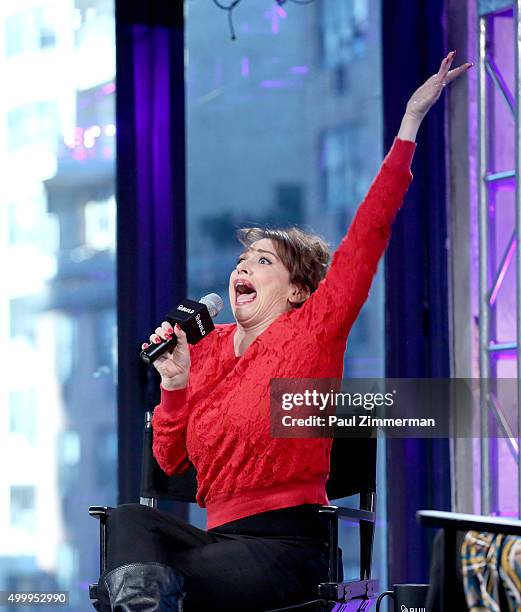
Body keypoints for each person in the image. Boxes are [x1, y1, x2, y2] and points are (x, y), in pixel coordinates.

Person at [97, 52, 472, 612]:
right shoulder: (209, 348)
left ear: (297, 289)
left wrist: (409, 127)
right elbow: (172, 463)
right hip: (216, 543)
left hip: (286, 549)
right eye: (243, 259)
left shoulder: (313, 330)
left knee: (133, 587)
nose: (244, 267)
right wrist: (173, 385)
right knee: (130, 527)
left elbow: (368, 235)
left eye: (264, 261)